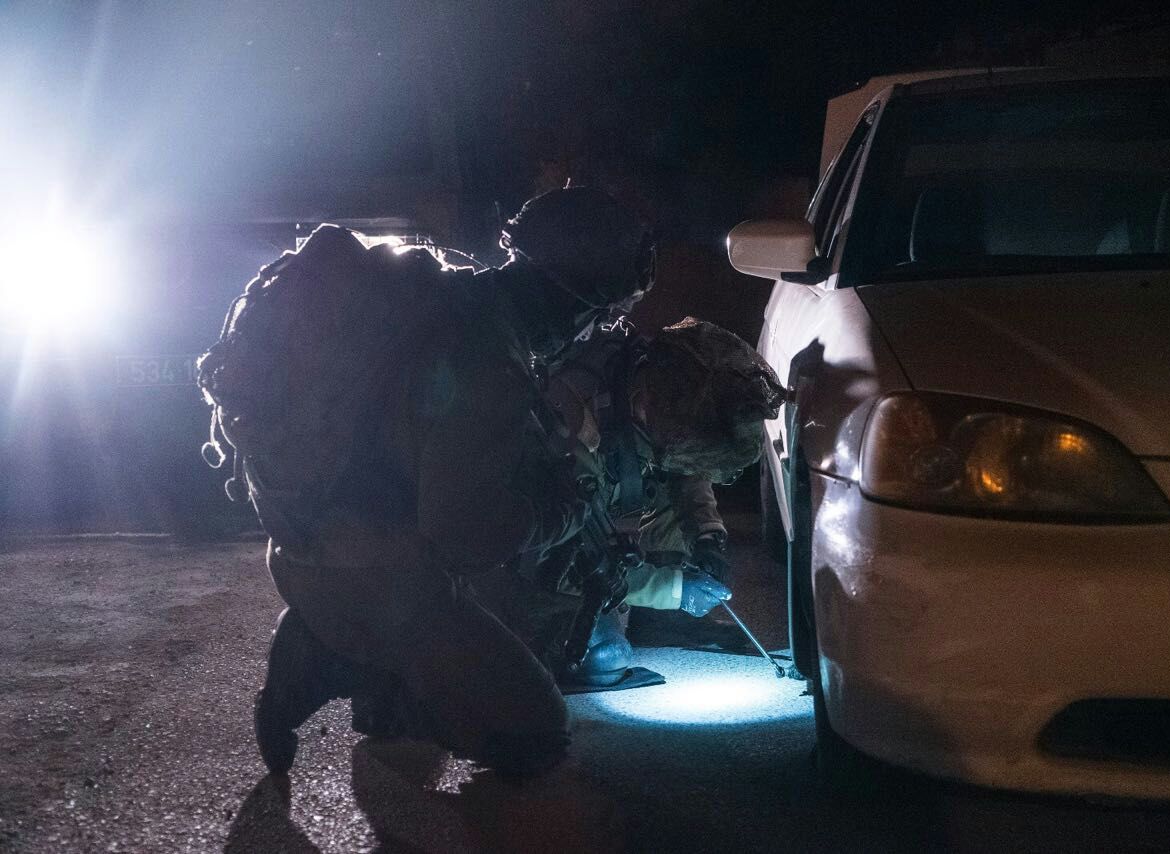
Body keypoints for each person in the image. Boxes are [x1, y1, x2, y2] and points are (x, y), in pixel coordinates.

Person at [205, 187, 656, 778]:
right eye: (603, 314)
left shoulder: (445, 297)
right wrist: (566, 505)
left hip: (305, 544)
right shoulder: (487, 359)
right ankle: (329, 655)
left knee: (486, 609)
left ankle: (347, 640)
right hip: (374, 578)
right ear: (573, 300)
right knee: (535, 738)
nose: (594, 332)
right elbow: (468, 536)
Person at [498, 317, 786, 686]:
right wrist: (675, 590)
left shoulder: (663, 398)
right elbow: (562, 560)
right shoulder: (572, 423)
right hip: (527, 558)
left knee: (671, 479)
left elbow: (685, 468)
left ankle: (652, 618)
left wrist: (707, 538)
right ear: (642, 405)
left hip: (580, 522)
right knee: (602, 659)